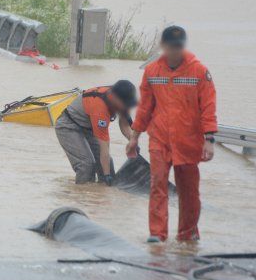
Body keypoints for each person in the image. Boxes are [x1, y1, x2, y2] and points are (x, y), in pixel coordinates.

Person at [126, 26, 217, 243]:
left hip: (188, 141)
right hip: (159, 139)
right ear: (163, 46)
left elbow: (208, 107)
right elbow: (145, 108)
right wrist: (135, 136)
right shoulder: (152, 71)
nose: (175, 51)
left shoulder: (198, 71)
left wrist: (210, 139)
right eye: (171, 47)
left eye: (179, 46)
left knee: (188, 191)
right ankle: (157, 234)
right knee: (157, 184)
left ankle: (188, 234)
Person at [55, 81, 138, 185]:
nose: (127, 106)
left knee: (108, 166)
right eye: (126, 104)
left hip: (89, 127)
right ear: (115, 98)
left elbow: (124, 125)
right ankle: (82, 197)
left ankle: (100, 196)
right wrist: (107, 176)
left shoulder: (121, 95)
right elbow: (104, 147)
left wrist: (132, 141)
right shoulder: (100, 110)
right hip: (68, 126)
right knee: (86, 165)